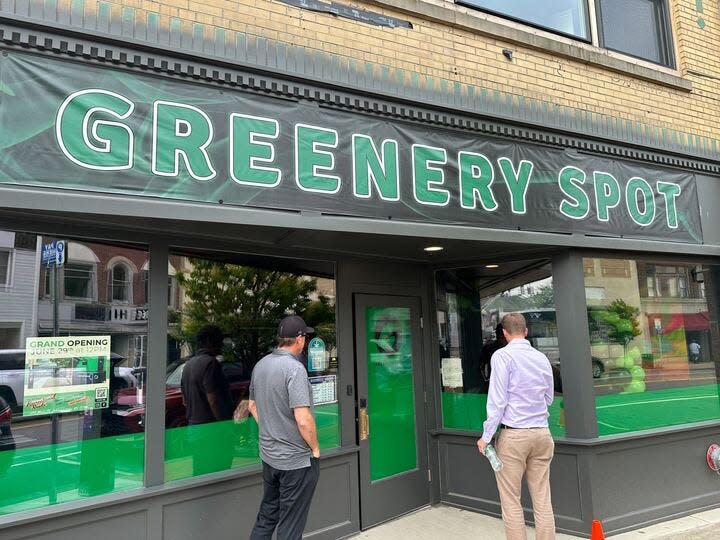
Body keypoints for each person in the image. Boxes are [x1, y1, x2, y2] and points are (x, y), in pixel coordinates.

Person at [476, 312, 556, 540]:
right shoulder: (542, 358)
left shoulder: (502, 357)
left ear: (504, 333)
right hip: (542, 433)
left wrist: (486, 436)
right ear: (526, 331)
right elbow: (549, 397)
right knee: (542, 498)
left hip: (515, 436)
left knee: (511, 500)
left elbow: (497, 400)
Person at [248, 315, 320, 540]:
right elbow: (303, 419)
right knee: (291, 526)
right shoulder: (294, 369)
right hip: (295, 462)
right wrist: (315, 449)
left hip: (270, 457)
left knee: (267, 516)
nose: (305, 342)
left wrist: (271, 430)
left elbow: (252, 406)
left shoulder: (261, 365)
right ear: (299, 339)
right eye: (305, 338)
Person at [181, 324, 234, 474]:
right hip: (211, 433)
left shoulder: (188, 365)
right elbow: (213, 400)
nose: (222, 345)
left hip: (194, 430)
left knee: (200, 473)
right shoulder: (211, 364)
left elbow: (184, 401)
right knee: (218, 475)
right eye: (220, 340)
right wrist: (224, 426)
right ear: (210, 341)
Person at [478, 323, 508, 392]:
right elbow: (480, 367)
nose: (502, 340)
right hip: (493, 383)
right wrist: (486, 381)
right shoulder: (488, 348)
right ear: (497, 335)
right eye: (500, 336)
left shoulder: (512, 348)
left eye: (503, 337)